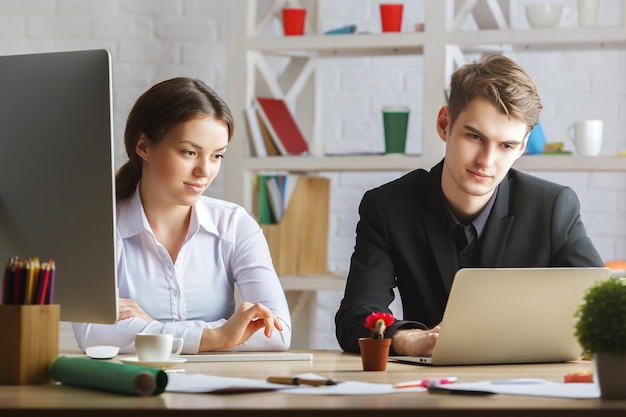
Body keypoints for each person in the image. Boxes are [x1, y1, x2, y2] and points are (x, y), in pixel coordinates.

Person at [334, 55, 604, 356]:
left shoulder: (553, 207)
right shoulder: (387, 207)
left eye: (507, 145)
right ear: (444, 124)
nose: (486, 161)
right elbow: (355, 318)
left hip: (528, 386)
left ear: (523, 147)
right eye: (475, 137)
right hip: (428, 391)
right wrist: (410, 339)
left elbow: (601, 305)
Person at [73, 77, 291, 354]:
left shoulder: (235, 225)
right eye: (190, 152)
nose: (205, 170)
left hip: (216, 391)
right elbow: (95, 333)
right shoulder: (100, 227)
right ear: (144, 147)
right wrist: (218, 336)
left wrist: (153, 329)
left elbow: (277, 332)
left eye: (217, 156)